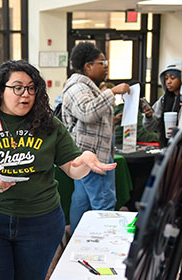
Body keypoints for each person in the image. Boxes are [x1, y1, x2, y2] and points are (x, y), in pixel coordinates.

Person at [0, 60, 116, 280]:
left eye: (31, 88)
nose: (25, 94)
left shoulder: (50, 125)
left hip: (40, 223)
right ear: (1, 90)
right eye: (17, 87)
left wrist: (84, 162)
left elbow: (72, 168)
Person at [61, 42, 130, 233]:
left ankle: (77, 242)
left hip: (90, 154)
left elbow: (89, 122)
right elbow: (87, 113)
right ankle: (102, 247)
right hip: (91, 157)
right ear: (87, 66)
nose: (106, 66)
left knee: (81, 201)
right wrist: (112, 92)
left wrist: (112, 121)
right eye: (102, 62)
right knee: (104, 201)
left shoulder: (88, 88)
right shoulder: (77, 88)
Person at [142, 59, 181, 147]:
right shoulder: (164, 99)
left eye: (173, 78)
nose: (168, 81)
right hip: (166, 147)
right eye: (166, 78)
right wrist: (149, 116)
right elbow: (153, 126)